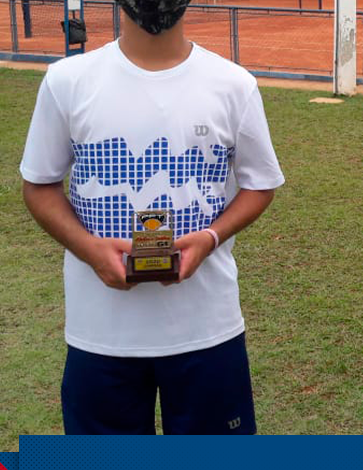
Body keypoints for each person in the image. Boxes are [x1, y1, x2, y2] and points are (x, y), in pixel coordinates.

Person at [20, 0, 284, 434]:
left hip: (206, 327)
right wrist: (89, 249)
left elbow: (261, 184)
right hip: (100, 333)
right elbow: (39, 184)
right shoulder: (67, 81)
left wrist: (211, 238)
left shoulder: (233, 85)